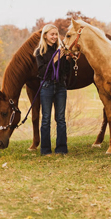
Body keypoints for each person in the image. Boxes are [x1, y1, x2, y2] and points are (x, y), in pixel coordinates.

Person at [34, 24, 71, 156]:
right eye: (52, 34)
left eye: (56, 34)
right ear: (45, 36)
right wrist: (55, 59)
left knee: (60, 118)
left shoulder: (61, 50)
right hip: (47, 86)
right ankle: (45, 150)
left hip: (60, 86)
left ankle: (61, 148)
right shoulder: (40, 52)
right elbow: (42, 72)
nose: (55, 37)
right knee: (46, 119)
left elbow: (66, 71)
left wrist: (67, 60)